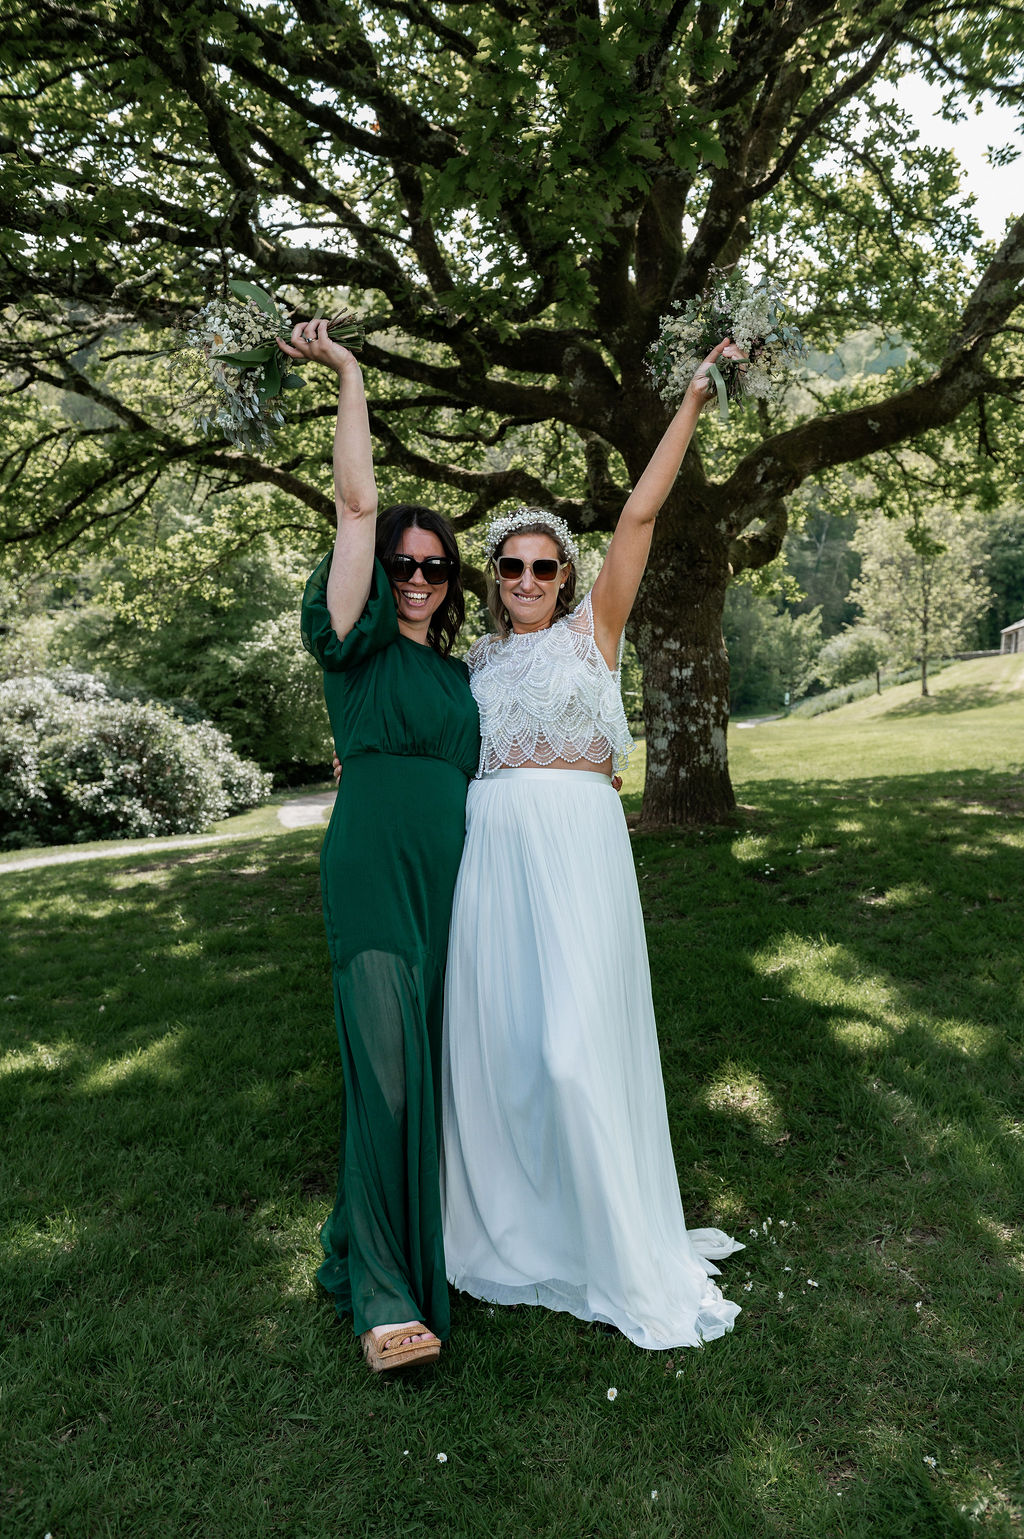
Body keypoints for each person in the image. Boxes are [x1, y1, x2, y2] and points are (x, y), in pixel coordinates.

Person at [441, 339, 746, 1350]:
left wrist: (693, 397)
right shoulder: (474, 660)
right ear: (489, 580)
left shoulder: (593, 633)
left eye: (543, 564)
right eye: (511, 565)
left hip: (577, 852)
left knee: (574, 1054)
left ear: (563, 575)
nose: (527, 576)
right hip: (491, 858)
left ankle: (613, 1242)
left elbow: (641, 515)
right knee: (505, 1057)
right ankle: (525, 1229)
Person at [284, 321, 480, 1373]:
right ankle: (385, 1299)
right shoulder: (354, 646)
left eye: (434, 565)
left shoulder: (458, 680)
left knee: (433, 1073)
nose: (416, 577)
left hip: (453, 888)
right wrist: (352, 376)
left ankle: (360, 1241)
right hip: (371, 874)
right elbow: (357, 503)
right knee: (386, 1072)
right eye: (404, 562)